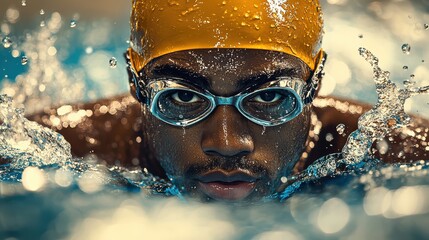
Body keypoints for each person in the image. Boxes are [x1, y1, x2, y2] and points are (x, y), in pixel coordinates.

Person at [29, 0, 429, 202]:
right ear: (136, 85)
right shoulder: (66, 149)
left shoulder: (395, 149)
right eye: (183, 97)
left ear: (314, 86)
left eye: (270, 97)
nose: (227, 141)